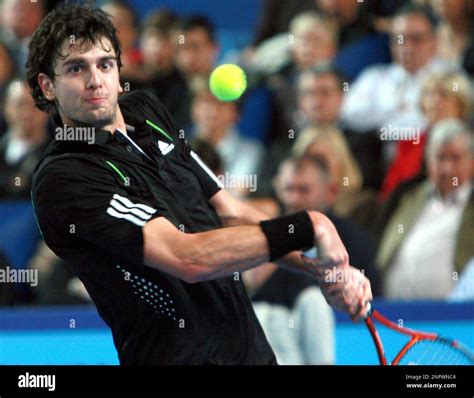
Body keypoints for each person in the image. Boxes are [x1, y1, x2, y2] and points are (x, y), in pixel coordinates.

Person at [27, 4, 372, 365]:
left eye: (105, 64)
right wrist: (309, 225)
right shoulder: (63, 178)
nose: (95, 79)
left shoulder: (146, 111)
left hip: (253, 354)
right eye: (75, 68)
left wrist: (323, 269)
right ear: (47, 85)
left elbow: (230, 212)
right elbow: (186, 256)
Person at [377, 119, 473, 300]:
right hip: (393, 309)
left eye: (455, 158)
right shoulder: (408, 196)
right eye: (440, 157)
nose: (447, 168)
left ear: (472, 162)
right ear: (428, 159)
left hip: (458, 318)